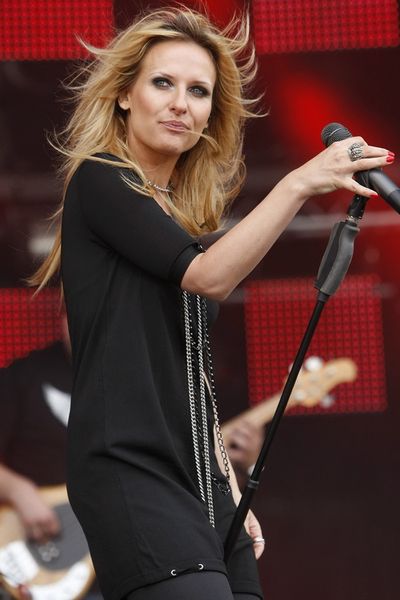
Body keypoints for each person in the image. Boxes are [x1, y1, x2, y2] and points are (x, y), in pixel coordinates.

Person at [28, 7, 394, 600]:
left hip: (204, 482)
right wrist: (301, 181)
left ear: (210, 114)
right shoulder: (100, 179)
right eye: (162, 83)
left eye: (198, 91)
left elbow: (190, 376)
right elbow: (210, 277)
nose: (181, 103)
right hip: (130, 470)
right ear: (123, 96)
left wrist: (226, 483)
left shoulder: (182, 220)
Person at [0, 313, 103, 600]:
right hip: (31, 551)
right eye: (73, 311)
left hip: (119, 566)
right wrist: (18, 490)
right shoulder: (21, 376)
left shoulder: (140, 382)